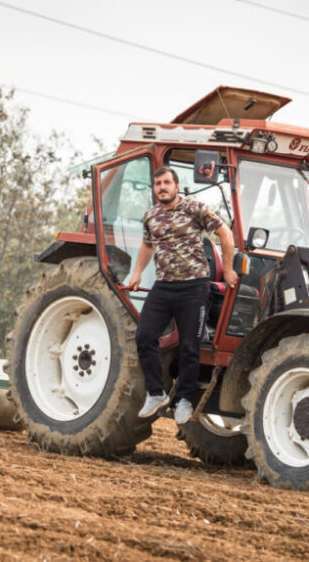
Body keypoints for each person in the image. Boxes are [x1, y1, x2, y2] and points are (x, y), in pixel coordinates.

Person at [127, 165, 237, 425]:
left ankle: (185, 400)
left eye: (167, 182)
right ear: (154, 189)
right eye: (158, 184)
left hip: (194, 287)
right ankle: (156, 393)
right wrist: (137, 273)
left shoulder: (195, 209)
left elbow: (225, 233)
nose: (162, 187)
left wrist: (229, 269)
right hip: (164, 287)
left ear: (176, 186)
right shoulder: (151, 215)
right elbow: (147, 244)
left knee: (190, 346)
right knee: (144, 336)